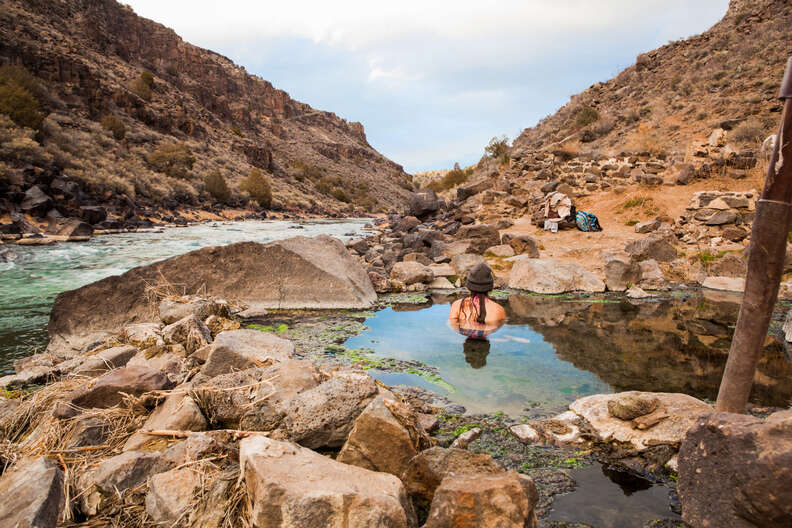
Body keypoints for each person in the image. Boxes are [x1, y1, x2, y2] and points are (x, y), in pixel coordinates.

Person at [449, 262, 506, 330]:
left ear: (469, 287)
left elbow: (451, 326)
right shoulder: (499, 310)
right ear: (490, 288)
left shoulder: (457, 305)